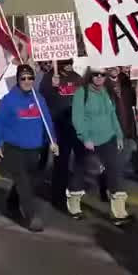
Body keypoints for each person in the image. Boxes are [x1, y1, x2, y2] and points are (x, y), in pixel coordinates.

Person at [0, 64, 58, 232]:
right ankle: (32, 216)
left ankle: (11, 202)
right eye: (23, 78)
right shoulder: (9, 100)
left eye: (30, 78)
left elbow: (47, 121)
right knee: (24, 182)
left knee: (29, 181)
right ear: (18, 80)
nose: (27, 81)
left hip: (35, 148)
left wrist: (53, 141)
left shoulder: (39, 99)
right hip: (15, 148)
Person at [67, 67, 132, 225]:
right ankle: (73, 204)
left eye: (102, 75)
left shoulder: (107, 92)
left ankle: (118, 213)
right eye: (95, 74)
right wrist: (85, 137)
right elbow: (77, 118)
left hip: (108, 137)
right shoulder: (82, 93)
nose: (99, 77)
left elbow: (112, 115)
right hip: (88, 140)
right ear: (90, 75)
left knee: (115, 170)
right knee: (81, 171)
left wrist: (118, 135)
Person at [39, 59, 82, 208]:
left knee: (79, 161)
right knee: (60, 162)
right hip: (56, 125)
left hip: (75, 125)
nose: (69, 65)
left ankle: (74, 192)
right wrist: (52, 87)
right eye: (66, 62)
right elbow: (41, 98)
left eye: (71, 62)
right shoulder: (49, 78)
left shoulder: (77, 78)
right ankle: (57, 196)